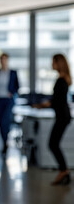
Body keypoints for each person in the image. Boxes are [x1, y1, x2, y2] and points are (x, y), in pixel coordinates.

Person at [33, 54, 72, 185]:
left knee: (53, 143)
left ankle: (64, 171)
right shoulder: (63, 79)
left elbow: (56, 101)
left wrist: (42, 105)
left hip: (62, 116)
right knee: (54, 143)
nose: (51, 64)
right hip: (62, 115)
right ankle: (64, 170)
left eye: (53, 62)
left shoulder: (61, 80)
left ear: (58, 63)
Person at [0, 53, 19, 154]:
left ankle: (5, 142)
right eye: (1, 59)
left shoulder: (13, 73)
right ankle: (4, 141)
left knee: (6, 120)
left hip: (8, 100)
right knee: (0, 121)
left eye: (5, 59)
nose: (3, 61)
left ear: (7, 60)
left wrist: (12, 93)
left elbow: (17, 86)